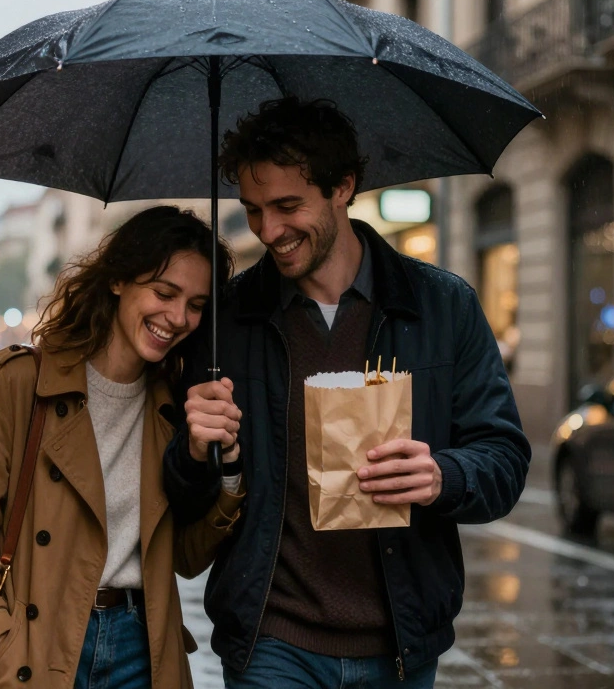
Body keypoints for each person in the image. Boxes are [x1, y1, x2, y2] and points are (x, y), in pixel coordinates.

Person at [163, 97, 531, 689]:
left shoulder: (442, 305)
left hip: (402, 645)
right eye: (253, 210)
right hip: (271, 641)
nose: (269, 231)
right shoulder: (226, 323)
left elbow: (505, 460)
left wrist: (444, 475)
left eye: (287, 206)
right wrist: (192, 445)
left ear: (343, 187)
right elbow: (183, 499)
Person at [0, 206, 245, 689]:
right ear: (118, 280)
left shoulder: (175, 405)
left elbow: (185, 556)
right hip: (36, 649)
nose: (177, 318)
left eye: (197, 304)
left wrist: (221, 467)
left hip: (145, 651)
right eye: (164, 292)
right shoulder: (21, 384)